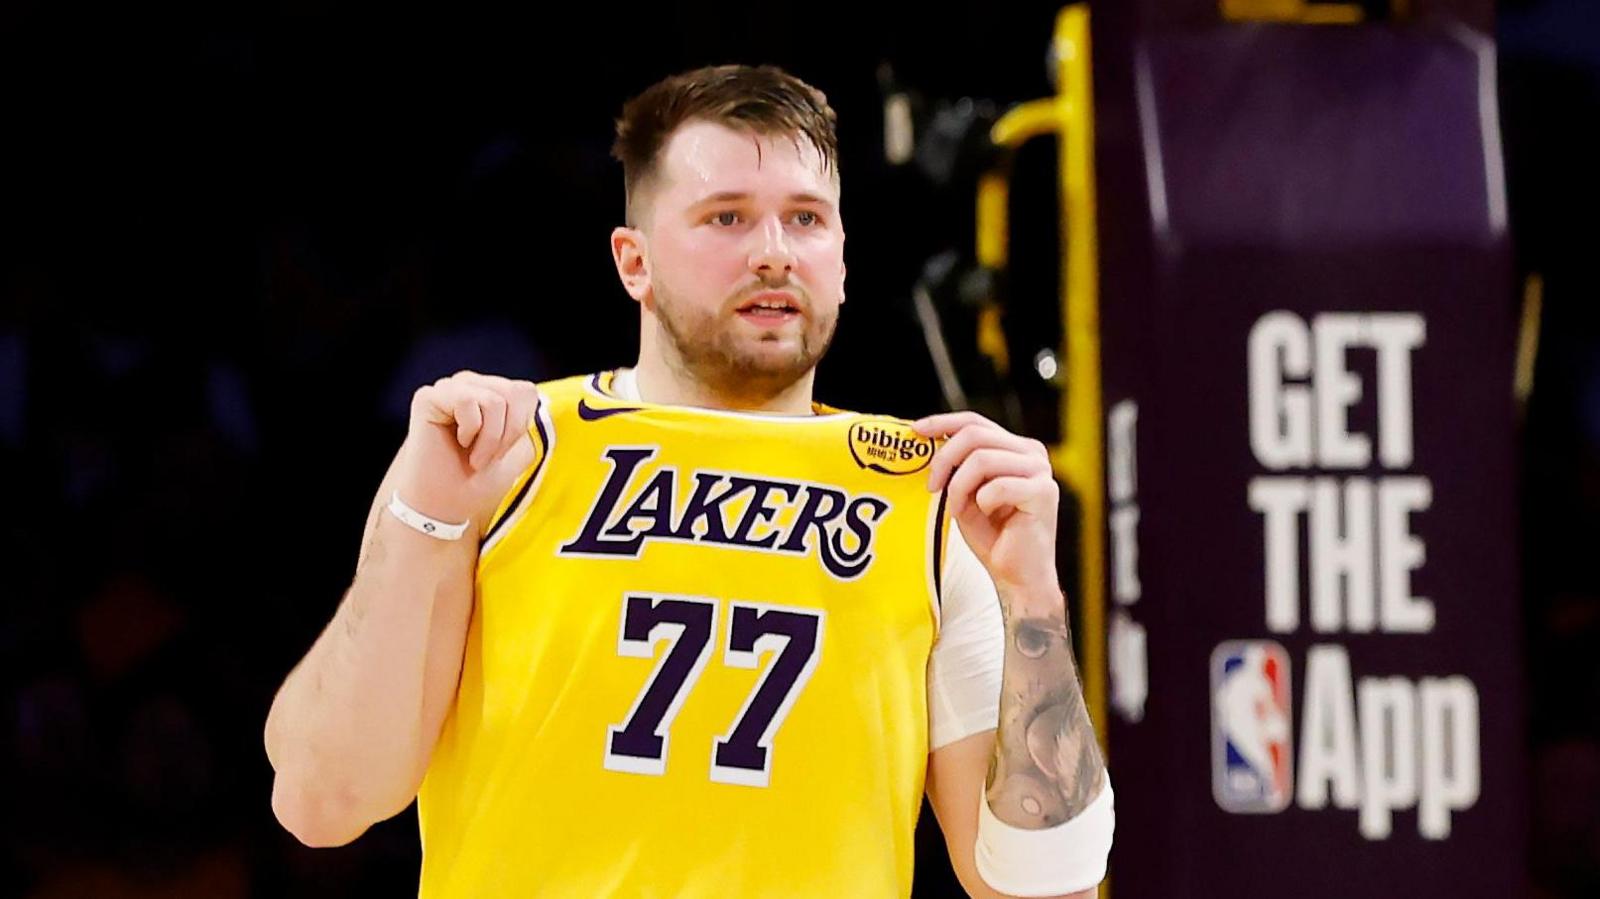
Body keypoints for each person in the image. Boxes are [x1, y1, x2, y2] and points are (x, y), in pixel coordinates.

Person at [263, 64, 1113, 898]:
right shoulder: (506, 453)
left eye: (806, 219)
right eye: (726, 217)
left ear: (843, 259)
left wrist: (1033, 597)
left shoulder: (925, 496)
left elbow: (1043, 894)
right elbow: (319, 801)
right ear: (633, 261)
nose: (773, 253)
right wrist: (422, 520)